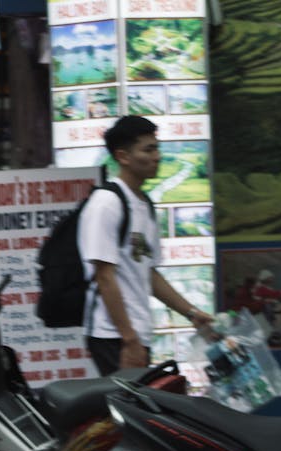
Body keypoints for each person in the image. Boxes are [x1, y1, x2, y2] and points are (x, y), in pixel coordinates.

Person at [78, 115, 214, 375]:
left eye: (157, 148)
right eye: (148, 149)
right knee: (125, 411)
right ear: (123, 156)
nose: (157, 156)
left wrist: (191, 313)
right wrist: (128, 339)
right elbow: (104, 277)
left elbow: (149, 274)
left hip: (136, 334)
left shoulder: (145, 204)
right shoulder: (106, 203)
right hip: (112, 335)